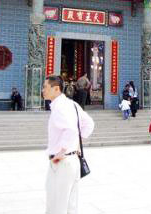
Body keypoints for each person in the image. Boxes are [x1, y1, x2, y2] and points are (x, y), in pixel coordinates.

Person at [42, 75, 94, 214]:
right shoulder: (72, 104)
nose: (43, 90)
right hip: (72, 161)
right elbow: (89, 123)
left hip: (62, 162)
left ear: (56, 89)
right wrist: (75, 144)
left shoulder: (60, 107)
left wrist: (62, 151)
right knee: (70, 205)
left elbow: (70, 129)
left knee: (56, 206)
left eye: (45, 87)